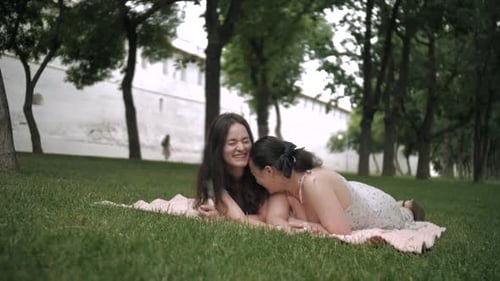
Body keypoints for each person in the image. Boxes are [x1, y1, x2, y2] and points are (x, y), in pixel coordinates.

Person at [248, 136, 425, 235]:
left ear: (269, 171)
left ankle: (406, 208)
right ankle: (401, 204)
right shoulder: (283, 188)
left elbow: (340, 234)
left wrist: (295, 224)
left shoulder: (313, 183)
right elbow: (275, 220)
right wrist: (307, 225)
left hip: (378, 209)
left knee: (402, 216)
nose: (256, 181)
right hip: (353, 194)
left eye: (256, 175)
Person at [194, 113, 269, 225]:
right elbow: (240, 220)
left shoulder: (261, 172)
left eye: (245, 141)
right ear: (218, 148)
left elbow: (267, 217)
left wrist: (223, 218)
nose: (241, 148)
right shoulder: (213, 179)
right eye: (232, 143)